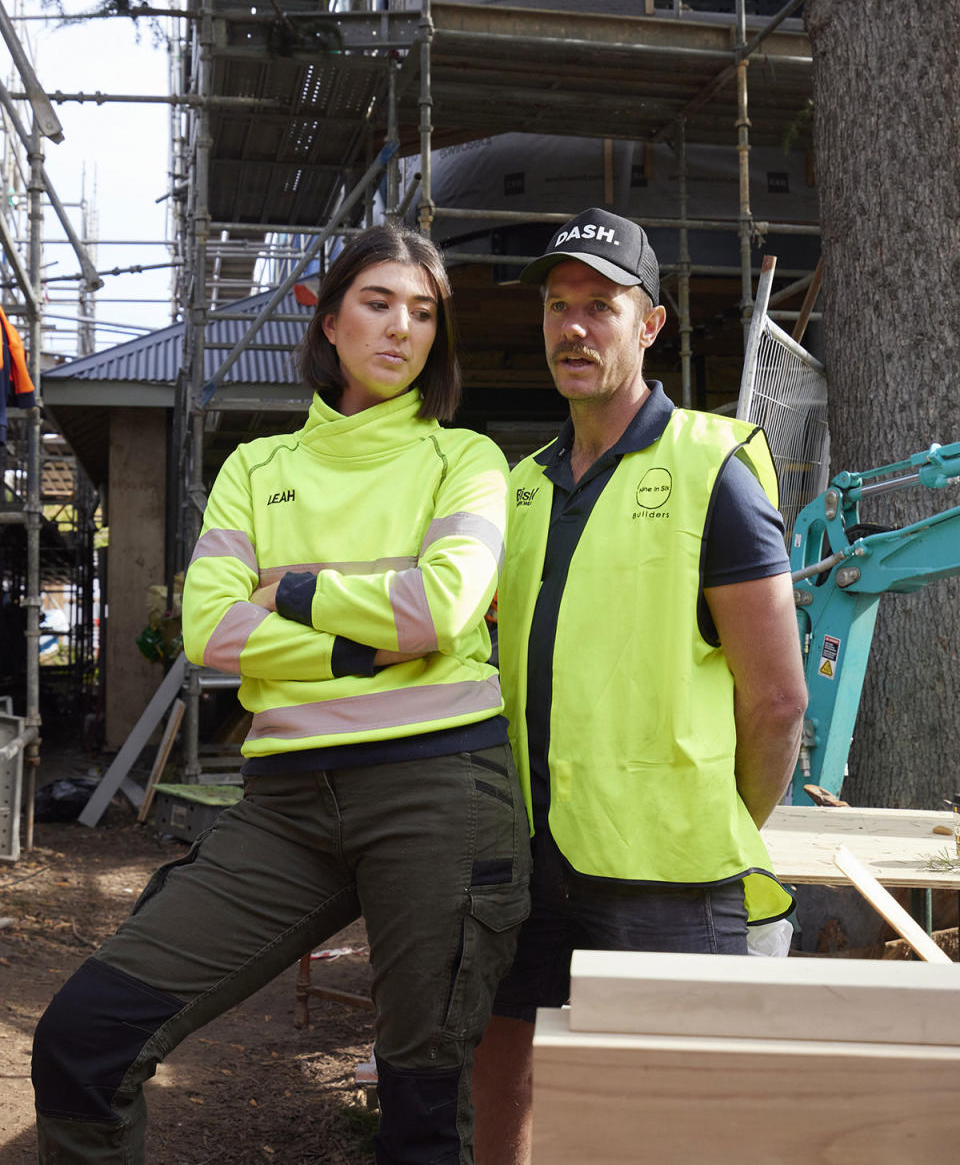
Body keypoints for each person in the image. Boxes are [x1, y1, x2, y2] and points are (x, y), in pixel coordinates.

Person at [33, 223, 530, 1165]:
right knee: (83, 1043)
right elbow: (211, 629)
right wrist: (360, 653)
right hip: (287, 806)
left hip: (440, 793)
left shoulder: (466, 460)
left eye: (423, 313)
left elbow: (442, 605)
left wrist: (294, 591)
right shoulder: (257, 470)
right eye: (379, 303)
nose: (402, 329)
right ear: (328, 314)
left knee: (420, 1114)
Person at [472, 208, 808, 1164]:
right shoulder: (522, 484)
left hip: (671, 872)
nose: (575, 328)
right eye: (558, 306)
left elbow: (778, 698)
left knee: (666, 1112)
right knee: (507, 1064)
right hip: (529, 851)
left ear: (649, 324)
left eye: (601, 306)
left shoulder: (713, 467)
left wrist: (722, 817)